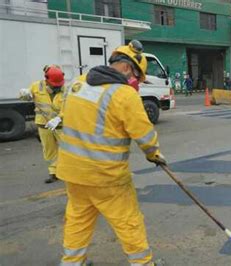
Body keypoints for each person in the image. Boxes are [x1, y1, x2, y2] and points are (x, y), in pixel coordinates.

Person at [56, 40, 166, 266]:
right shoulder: (124, 94)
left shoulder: (77, 84)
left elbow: (69, 119)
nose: (136, 81)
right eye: (137, 75)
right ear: (127, 68)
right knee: (128, 221)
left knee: (78, 219)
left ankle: (72, 262)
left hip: (72, 172)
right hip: (106, 176)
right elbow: (143, 134)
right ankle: (143, 264)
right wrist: (154, 155)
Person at [19, 65, 66, 183]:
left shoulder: (66, 89)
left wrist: (59, 118)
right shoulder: (36, 86)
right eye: (54, 84)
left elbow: (69, 107)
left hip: (61, 125)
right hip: (43, 125)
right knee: (49, 150)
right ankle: (53, 173)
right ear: (46, 80)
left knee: (67, 149)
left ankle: (68, 171)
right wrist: (24, 95)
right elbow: (26, 98)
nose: (57, 87)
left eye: (58, 84)